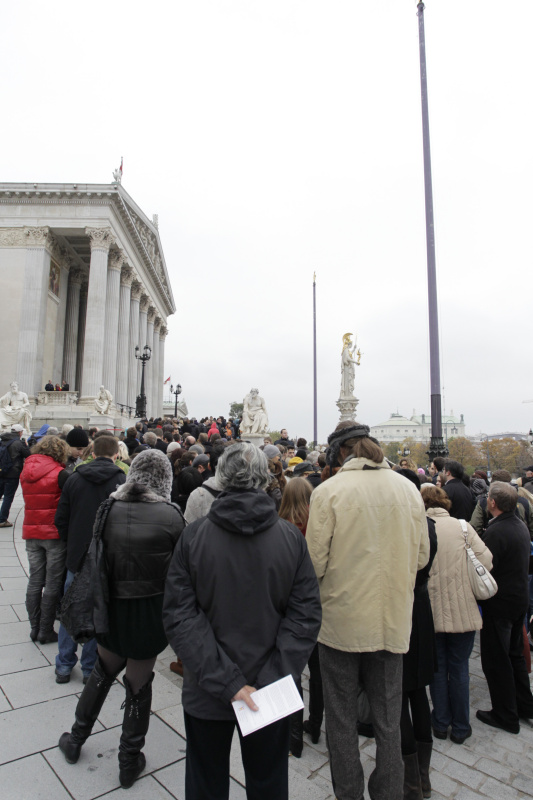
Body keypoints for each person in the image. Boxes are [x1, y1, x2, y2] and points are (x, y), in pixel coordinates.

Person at [163, 443, 321, 800]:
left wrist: (228, 682)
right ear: (265, 479)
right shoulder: (291, 539)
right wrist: (268, 681)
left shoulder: (195, 536)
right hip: (270, 691)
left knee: (206, 782)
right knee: (268, 782)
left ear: (221, 479)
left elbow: (180, 615)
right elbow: (306, 617)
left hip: (207, 688)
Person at [306, 423, 429, 800]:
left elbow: (314, 564)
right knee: (390, 719)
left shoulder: (329, 492)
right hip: (392, 621)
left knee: (341, 720)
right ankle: (389, 791)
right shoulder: (408, 489)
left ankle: (349, 793)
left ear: (341, 453)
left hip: (341, 624)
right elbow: (422, 556)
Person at [58, 449, 185, 788]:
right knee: (139, 686)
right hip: (149, 613)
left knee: (101, 674)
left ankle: (76, 737)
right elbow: (181, 572)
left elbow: (94, 555)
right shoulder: (172, 515)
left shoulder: (108, 508)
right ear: (164, 479)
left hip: (110, 607)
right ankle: (129, 759)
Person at [420, 483, 492, 744]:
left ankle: (440, 722)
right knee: (460, 669)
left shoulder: (420, 528)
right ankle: (461, 726)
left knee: (437, 669)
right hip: (463, 608)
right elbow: (486, 560)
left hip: (432, 610)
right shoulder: (463, 527)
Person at [54, 435, 127, 684]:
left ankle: (64, 664)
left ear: (92, 453)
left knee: (69, 607)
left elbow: (61, 518)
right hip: (105, 553)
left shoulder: (74, 477)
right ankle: (88, 667)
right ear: (116, 454)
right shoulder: (121, 480)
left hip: (77, 552)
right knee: (99, 610)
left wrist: (71, 540)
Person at [476, 481, 533, 733]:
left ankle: (505, 714)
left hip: (500, 604)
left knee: (497, 659)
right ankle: (524, 705)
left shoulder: (497, 531)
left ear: (492, 503)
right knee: (514, 655)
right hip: (517, 598)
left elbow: (486, 568)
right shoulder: (518, 525)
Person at [396, 470, 438, 800]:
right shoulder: (430, 527)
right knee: (419, 693)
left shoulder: (398, 527)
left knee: (397, 693)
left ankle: (410, 780)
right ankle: (422, 776)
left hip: (401, 607)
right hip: (422, 609)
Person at [20, 436, 69, 643]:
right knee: (52, 582)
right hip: (53, 533)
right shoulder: (60, 474)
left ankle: (34, 626)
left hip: (31, 531)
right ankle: (45, 629)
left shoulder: (26, 471)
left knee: (34, 580)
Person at [0, 423, 30, 527]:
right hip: (12, 473)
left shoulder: (2, 440)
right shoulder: (18, 443)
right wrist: (26, 445)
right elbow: (28, 455)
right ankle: (2, 519)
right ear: (20, 432)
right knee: (8, 496)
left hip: (1, 471)